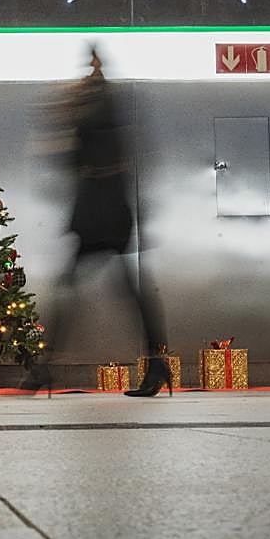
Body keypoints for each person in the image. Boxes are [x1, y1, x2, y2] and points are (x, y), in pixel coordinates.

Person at [26, 46, 171, 396]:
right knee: (127, 291)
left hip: (96, 213)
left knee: (74, 286)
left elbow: (69, 158)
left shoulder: (94, 113)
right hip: (110, 211)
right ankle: (156, 363)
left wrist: (63, 115)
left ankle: (46, 366)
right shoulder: (109, 113)